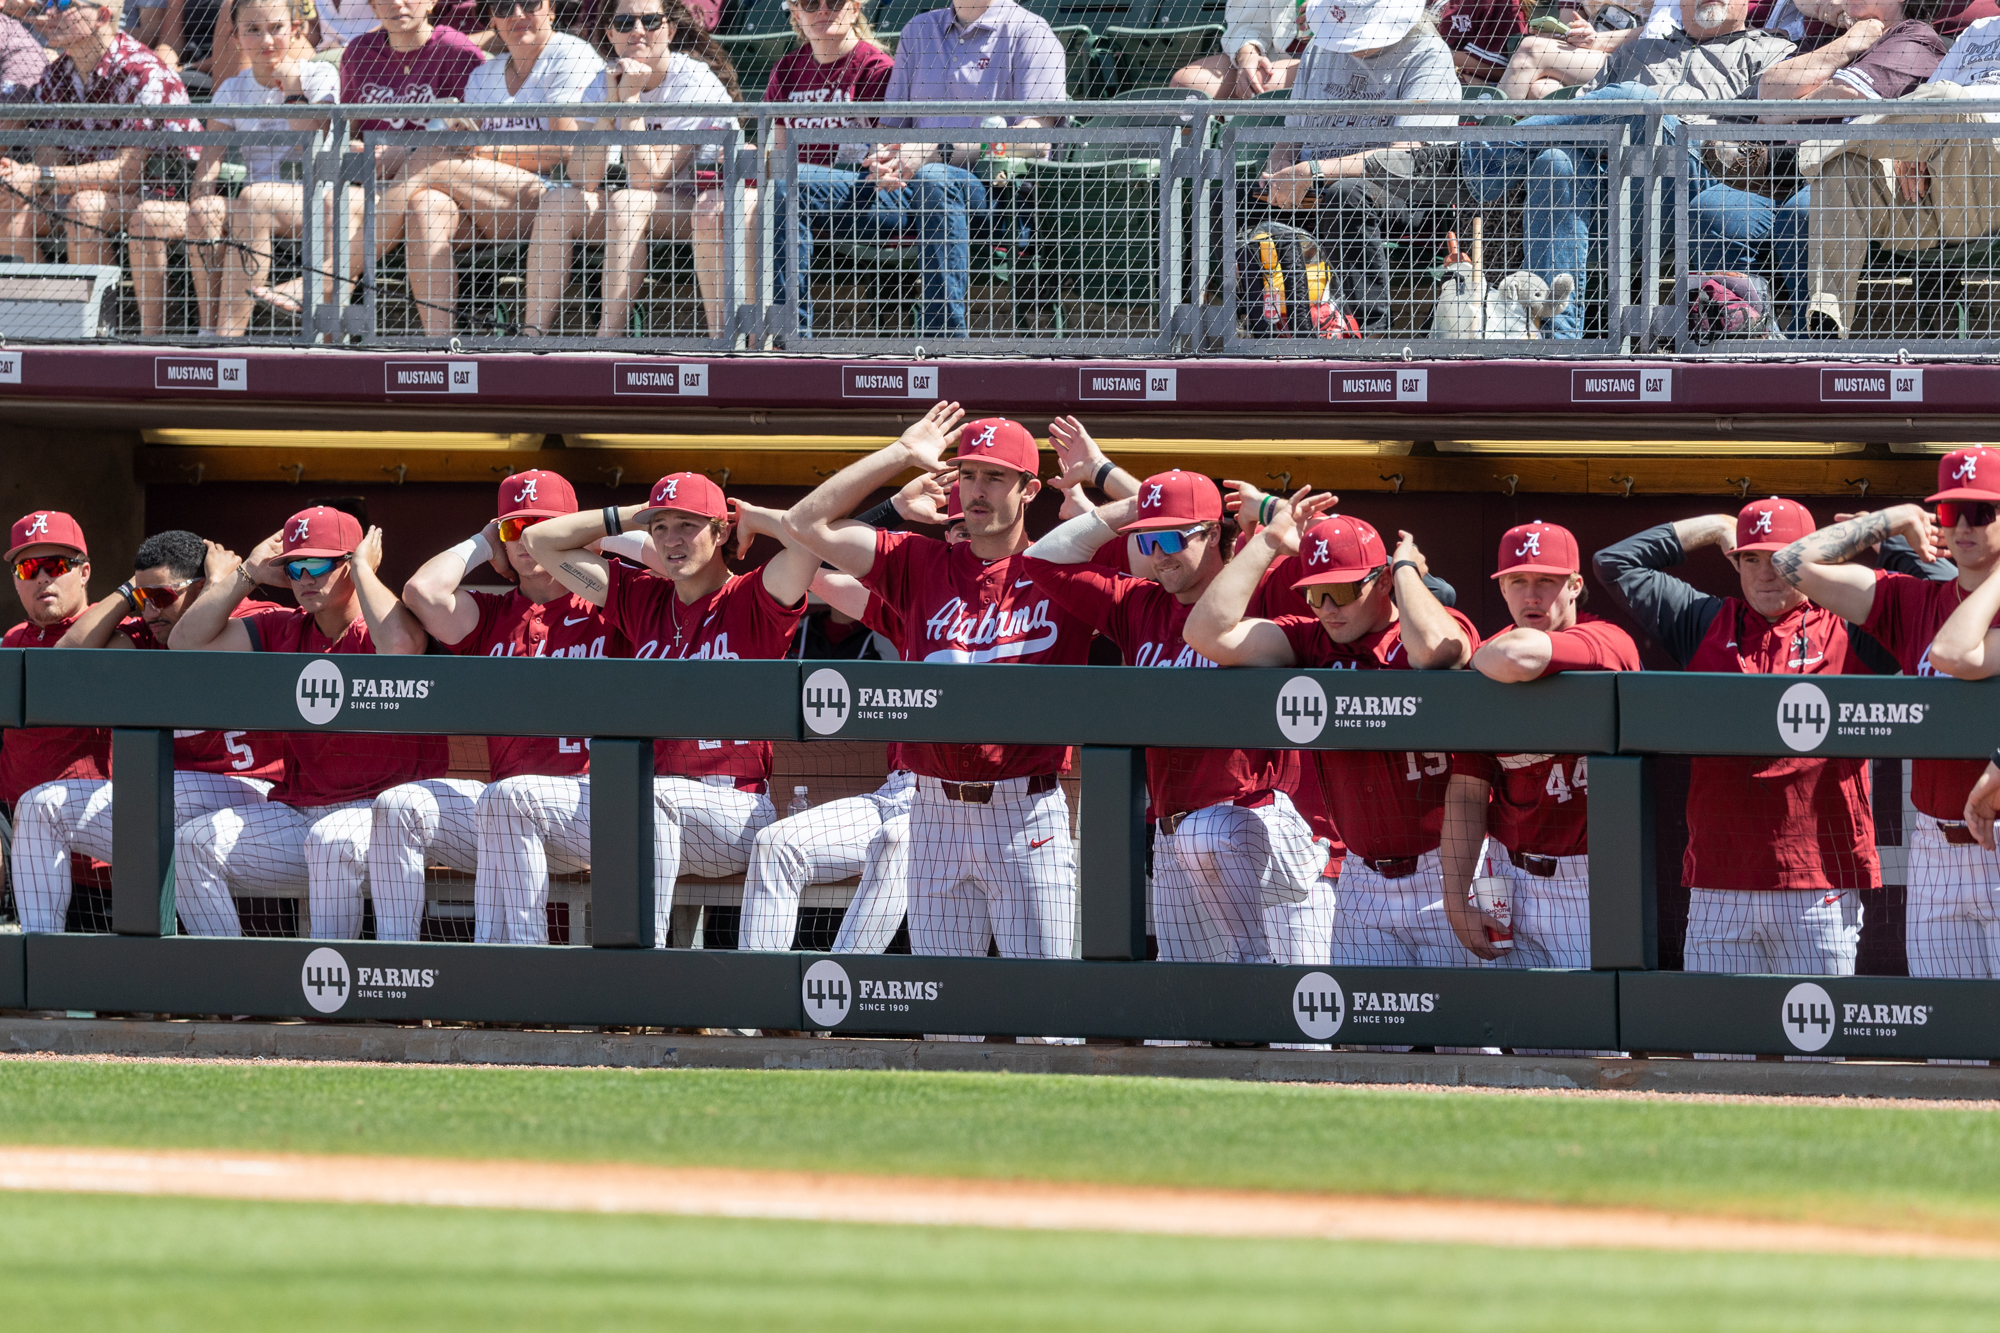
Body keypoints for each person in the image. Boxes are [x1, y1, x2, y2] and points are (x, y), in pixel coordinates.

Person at [784, 405, 1098, 960]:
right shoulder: (918, 563)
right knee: (945, 1014)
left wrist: (1100, 476)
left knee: (1048, 1014)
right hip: (932, 808)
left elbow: (1178, 549)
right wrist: (899, 457)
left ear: (1028, 489)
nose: (977, 490)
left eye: (995, 476)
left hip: (1025, 809)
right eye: (968, 473)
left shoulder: (1062, 570)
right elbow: (804, 526)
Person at [1022, 470, 1331, 966]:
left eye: (1172, 537)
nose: (1158, 553)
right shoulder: (1138, 605)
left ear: (1213, 534)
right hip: (1171, 837)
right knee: (1182, 1017)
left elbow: (1343, 563)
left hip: (1255, 826)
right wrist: (1132, 508)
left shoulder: (1265, 588)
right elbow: (1040, 560)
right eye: (1147, 539)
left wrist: (1272, 511)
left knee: (1292, 1026)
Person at [510, 474, 816, 946]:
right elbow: (538, 540)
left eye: (687, 526)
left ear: (719, 532)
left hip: (734, 811)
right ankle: (518, 969)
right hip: (653, 814)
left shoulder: (754, 596)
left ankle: (637, 971)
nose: (672, 540)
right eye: (660, 528)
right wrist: (633, 513)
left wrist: (753, 518)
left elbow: (812, 543)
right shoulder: (642, 598)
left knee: (651, 801)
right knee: (517, 798)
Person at [1183, 495, 1480, 967]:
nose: (1325, 607)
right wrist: (1268, 545)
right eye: (1312, 593)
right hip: (1362, 880)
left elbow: (1435, 654)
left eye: (1340, 592)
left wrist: (1404, 570)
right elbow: (1205, 633)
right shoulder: (1310, 640)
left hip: (1445, 873)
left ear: (1382, 581)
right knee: (1371, 1041)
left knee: (1467, 1039)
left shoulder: (1431, 625)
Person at [1594, 498, 1884, 978]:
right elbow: (1615, 562)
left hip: (1818, 880)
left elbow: (1933, 603)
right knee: (1717, 1047)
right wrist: (1712, 526)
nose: (1766, 572)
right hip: (1719, 879)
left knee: (1816, 1053)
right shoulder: (1704, 621)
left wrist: (1885, 538)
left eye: (1782, 557)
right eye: (1751, 557)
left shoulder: (1851, 627)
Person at [166, 507, 444, 939]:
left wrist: (365, 571)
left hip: (387, 822)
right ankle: (235, 999)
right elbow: (185, 644)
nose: (304, 577)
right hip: (301, 814)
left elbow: (402, 647)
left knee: (331, 841)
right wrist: (248, 573)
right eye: (294, 567)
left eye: (317, 563)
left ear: (352, 562)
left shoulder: (386, 623)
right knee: (190, 845)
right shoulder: (283, 629)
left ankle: (332, 1007)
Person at [375, 471, 625, 945]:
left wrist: (588, 536)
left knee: (509, 800)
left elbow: (667, 571)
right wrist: (483, 540)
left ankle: (516, 971)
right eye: (515, 530)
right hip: (505, 810)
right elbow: (422, 593)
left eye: (541, 527)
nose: (527, 540)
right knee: (398, 805)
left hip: (593, 806)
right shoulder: (492, 615)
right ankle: (399, 966)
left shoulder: (614, 602)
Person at [1779, 449, 2000, 979]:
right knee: (1947, 1029)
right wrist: (1895, 519)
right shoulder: (1912, 600)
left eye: (1983, 511)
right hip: (1935, 837)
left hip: (1997, 832)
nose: (1965, 524)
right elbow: (1791, 563)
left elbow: (1953, 652)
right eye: (1951, 512)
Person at [1462, 0, 1795, 339]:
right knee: (1555, 162)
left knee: (1639, 102)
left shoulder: (1772, 52)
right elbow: (1579, 120)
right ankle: (1558, 340)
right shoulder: (1635, 51)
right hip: (1618, 197)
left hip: (1697, 182)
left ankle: (1493, 153)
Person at [13, 530, 284, 934]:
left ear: (202, 586)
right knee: (39, 806)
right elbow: (64, 663)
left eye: (161, 598)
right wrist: (130, 592)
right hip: (176, 804)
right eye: (143, 601)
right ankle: (39, 957)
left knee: (164, 795)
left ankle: (222, 985)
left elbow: (190, 641)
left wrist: (224, 585)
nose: (150, 613)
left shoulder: (250, 617)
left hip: (259, 801)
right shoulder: (145, 634)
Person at [769, 0, 1066, 338]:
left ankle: (945, 347)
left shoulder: (1031, 32)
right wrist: (883, 158)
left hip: (996, 196)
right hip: (907, 189)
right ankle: (788, 341)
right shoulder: (918, 30)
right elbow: (890, 129)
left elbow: (1036, 140)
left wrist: (935, 149)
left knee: (935, 177)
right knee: (789, 183)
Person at [1438, 521, 1640, 969]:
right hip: (1506, 873)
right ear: (1503, 589)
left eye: (1546, 581)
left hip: (1588, 878)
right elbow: (1469, 791)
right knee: (1509, 1023)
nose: (1532, 595)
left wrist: (1476, 659)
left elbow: (1519, 656)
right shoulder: (1491, 666)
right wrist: (1455, 900)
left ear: (1574, 586)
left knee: (1590, 1031)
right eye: (1518, 581)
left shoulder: (1607, 641)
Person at [1685, 0, 1946, 332]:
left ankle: (1805, 350)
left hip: (1855, 182)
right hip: (1785, 178)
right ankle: (1750, 338)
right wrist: (1848, 44)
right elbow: (1769, 88)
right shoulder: (1834, 35)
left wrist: (1789, 107)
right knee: (1714, 208)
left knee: (1808, 210)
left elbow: (1848, 94)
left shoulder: (1914, 37)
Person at [520, 0, 747, 341]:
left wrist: (628, 101)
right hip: (643, 208)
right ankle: (529, 337)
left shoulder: (695, 81)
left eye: (651, 21)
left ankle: (606, 340)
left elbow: (649, 179)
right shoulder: (605, 79)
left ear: (669, 29)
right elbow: (582, 176)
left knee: (628, 201)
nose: (638, 31)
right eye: (624, 22)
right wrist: (610, 105)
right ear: (610, 33)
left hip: (703, 206)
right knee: (558, 203)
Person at [384, 0, 602, 338]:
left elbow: (564, 150)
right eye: (503, 5)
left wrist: (484, 150)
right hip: (490, 205)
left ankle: (339, 269)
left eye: (530, 3)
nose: (516, 14)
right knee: (424, 206)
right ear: (492, 18)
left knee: (434, 158)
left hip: (554, 202)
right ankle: (440, 347)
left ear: (552, 9)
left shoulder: (570, 54)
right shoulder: (483, 75)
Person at [255, 0, 484, 319]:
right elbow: (344, 136)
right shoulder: (359, 53)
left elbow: (469, 140)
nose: (397, 3)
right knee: (336, 202)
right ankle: (327, 343)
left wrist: (403, 154)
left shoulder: (457, 52)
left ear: (432, 2)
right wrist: (353, 151)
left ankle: (318, 283)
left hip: (439, 191)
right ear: (374, 7)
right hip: (375, 186)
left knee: (425, 204)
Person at [1257, 0, 1461, 335]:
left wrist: (1314, 171)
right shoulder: (1318, 50)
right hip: (1314, 181)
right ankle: (1259, 324)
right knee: (1232, 195)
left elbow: (1405, 158)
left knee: (1346, 196)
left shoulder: (1428, 54)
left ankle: (1369, 333)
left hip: (1403, 190)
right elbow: (1289, 137)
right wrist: (1278, 173)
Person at [0, 0, 202, 339]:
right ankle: (43, 328)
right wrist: (18, 178)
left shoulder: (143, 71)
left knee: (85, 207)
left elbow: (128, 174)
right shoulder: (55, 75)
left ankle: (100, 334)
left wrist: (40, 178)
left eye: (64, 5)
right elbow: (51, 160)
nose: (49, 14)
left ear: (102, 16)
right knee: (9, 206)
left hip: (158, 197)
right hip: (83, 191)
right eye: (48, 3)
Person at [1793, 12, 2000, 336]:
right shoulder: (1979, 30)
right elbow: (1923, 100)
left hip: (1990, 179)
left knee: (1951, 103)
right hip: (1932, 195)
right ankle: (1827, 324)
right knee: (1844, 168)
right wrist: (1909, 149)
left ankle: (1796, 158)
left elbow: (1942, 104)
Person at [201, 0, 342, 339]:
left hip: (317, 199)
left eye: (276, 29)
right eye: (252, 30)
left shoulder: (319, 75)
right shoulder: (231, 89)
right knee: (203, 212)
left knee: (255, 197)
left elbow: (308, 137)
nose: (266, 40)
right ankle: (206, 331)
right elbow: (208, 163)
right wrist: (201, 195)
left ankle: (226, 340)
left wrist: (293, 88)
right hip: (255, 203)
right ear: (236, 38)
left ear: (297, 29)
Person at [0, 514, 114, 919]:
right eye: (29, 568)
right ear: (16, 579)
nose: (43, 577)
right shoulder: (11, 642)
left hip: (104, 866)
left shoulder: (117, 629)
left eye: (57, 565)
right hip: (26, 860)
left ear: (84, 573)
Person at [1171, 0, 1311, 98]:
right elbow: (1247, 23)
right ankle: (1217, 140)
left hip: (1325, 60)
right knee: (1187, 84)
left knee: (1262, 89)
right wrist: (1247, 57)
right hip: (1274, 55)